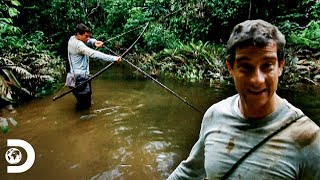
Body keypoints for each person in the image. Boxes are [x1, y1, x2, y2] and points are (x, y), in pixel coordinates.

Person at [167, 19, 320, 179]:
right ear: (230, 68)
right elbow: (189, 173)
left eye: (267, 65)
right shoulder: (214, 115)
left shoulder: (308, 137)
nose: (257, 80)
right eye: (246, 67)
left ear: (280, 67)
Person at [67, 23, 121, 109]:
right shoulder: (78, 45)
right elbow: (94, 54)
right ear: (78, 34)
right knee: (85, 107)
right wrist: (114, 58)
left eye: (89, 36)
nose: (88, 38)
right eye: (86, 36)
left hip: (72, 78)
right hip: (80, 79)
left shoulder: (72, 39)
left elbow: (88, 41)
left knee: (81, 102)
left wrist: (95, 42)